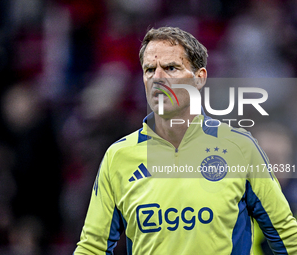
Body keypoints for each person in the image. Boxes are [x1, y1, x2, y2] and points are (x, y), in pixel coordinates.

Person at [73, 27, 297, 254]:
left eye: (171, 68)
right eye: (150, 70)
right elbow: (94, 247)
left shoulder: (240, 148)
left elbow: (286, 237)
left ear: (199, 79)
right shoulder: (118, 157)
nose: (157, 78)